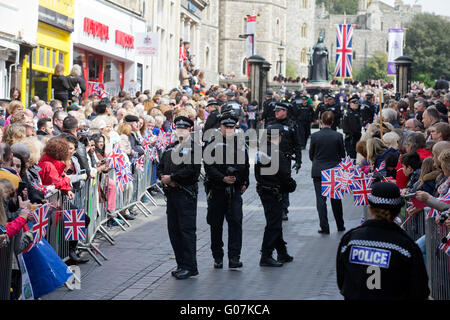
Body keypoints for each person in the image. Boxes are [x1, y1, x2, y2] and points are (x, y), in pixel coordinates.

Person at [337, 181, 430, 300]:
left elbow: (342, 281)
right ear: (397, 211)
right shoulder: (406, 247)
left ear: (370, 208)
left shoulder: (349, 240)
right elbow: (419, 290)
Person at [203, 113, 249, 269]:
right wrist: (222, 178)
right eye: (226, 127)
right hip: (217, 189)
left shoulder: (240, 142)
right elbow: (209, 167)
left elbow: (246, 164)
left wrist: (245, 182)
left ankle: (234, 257)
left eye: (232, 127)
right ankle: (218, 256)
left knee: (236, 223)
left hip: (235, 190)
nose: (229, 129)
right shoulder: (212, 142)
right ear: (220, 127)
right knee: (216, 225)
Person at [157, 116, 201, 280]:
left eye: (184, 128)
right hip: (172, 194)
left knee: (186, 231)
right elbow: (160, 167)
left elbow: (191, 170)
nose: (180, 131)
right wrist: (163, 178)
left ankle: (190, 266)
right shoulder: (170, 148)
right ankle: (181, 264)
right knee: (174, 231)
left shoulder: (194, 148)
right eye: (178, 128)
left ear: (190, 130)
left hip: (185, 194)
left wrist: (173, 177)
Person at [255, 123, 296, 267]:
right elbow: (284, 175)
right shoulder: (276, 153)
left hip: (264, 189)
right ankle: (266, 255)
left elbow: (257, 172)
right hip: (274, 191)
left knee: (275, 222)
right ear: (278, 137)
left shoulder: (261, 151)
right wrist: (291, 186)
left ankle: (282, 252)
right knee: (273, 225)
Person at [310, 111, 345, 234]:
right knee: (336, 199)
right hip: (334, 170)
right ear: (332, 122)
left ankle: (324, 227)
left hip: (319, 170)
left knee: (321, 200)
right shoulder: (338, 136)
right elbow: (342, 154)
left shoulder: (315, 136)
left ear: (321, 121)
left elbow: (311, 155)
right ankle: (340, 225)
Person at [268, 102, 302, 221]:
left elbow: (297, 144)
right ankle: (274, 208)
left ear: (285, 111)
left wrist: (298, 161)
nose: (276, 112)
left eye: (279, 110)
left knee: (284, 185)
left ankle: (283, 210)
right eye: (275, 111)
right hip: (271, 159)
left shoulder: (292, 125)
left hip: (286, 160)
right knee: (271, 184)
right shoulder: (271, 124)